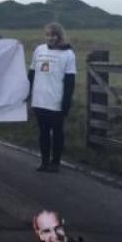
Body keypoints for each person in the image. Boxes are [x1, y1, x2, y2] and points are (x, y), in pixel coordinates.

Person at [28, 22, 76, 172]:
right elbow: (32, 74)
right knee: (43, 133)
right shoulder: (39, 50)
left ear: (59, 36)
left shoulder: (68, 54)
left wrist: (66, 102)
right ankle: (44, 162)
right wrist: (27, 93)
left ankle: (55, 162)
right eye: (47, 35)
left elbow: (70, 81)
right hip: (39, 100)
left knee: (57, 132)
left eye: (53, 35)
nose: (50, 38)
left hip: (56, 101)